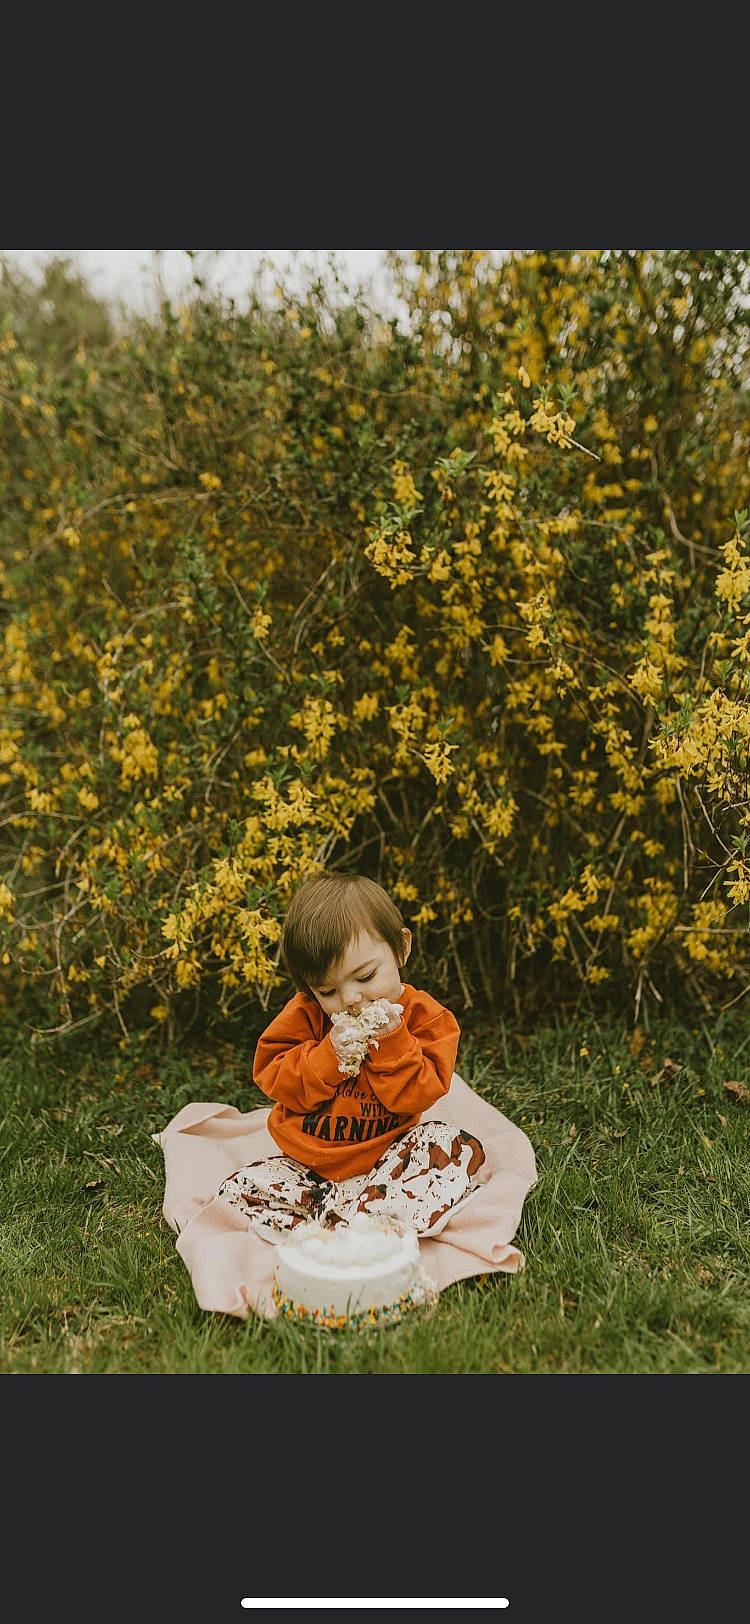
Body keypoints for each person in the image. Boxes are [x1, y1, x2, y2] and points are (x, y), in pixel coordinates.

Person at [217, 870, 486, 1238]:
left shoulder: (426, 1018)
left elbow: (420, 1093)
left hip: (392, 1160)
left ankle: (364, 1218)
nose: (350, 999)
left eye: (365, 977)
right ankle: (350, 1219)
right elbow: (275, 1078)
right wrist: (327, 1057)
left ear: (401, 948)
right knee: (240, 1188)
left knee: (451, 1145)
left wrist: (392, 1042)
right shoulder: (305, 1015)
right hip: (312, 1166)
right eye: (327, 991)